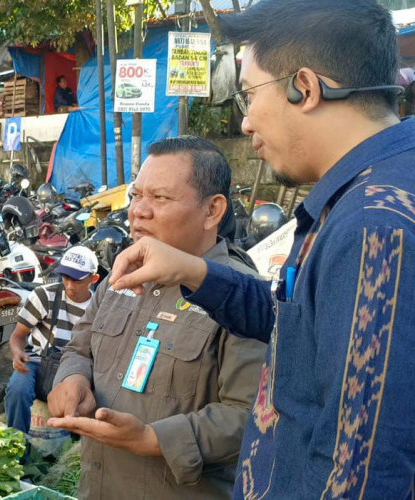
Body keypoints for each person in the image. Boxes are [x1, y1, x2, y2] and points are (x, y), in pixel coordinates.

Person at [107, 1, 415, 498]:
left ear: (305, 88)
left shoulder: (373, 225)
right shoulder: (369, 191)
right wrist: (193, 271)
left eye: (249, 94)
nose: (246, 123)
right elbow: (304, 328)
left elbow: (365, 465)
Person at [47, 137, 267, 499]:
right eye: (136, 195)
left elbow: (250, 415)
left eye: (160, 198)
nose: (138, 211)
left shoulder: (243, 300)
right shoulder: (122, 273)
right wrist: (72, 379)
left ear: (212, 210)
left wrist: (153, 439)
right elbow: (79, 348)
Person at [6, 246, 99, 435]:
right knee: (17, 390)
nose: (70, 285)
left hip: (73, 372)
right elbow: (18, 335)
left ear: (93, 278)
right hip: (37, 362)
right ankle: (16, 444)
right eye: (66, 278)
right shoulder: (45, 295)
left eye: (77, 280)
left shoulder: (100, 308)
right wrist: (17, 353)